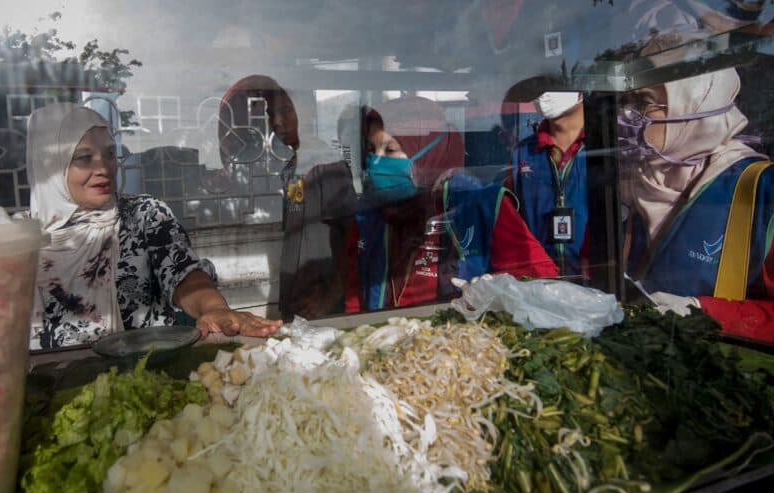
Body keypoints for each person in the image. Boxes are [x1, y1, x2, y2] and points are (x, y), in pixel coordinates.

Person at [27, 103, 281, 349]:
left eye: (110, 154)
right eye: (84, 158)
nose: (104, 168)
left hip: (146, 373)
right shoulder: (19, 239)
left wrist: (214, 308)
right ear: (50, 165)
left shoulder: (144, 215)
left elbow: (184, 274)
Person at [346, 96, 558, 312]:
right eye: (372, 150)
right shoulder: (368, 215)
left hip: (458, 340)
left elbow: (540, 278)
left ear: (429, 153)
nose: (376, 162)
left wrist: (493, 288)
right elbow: (354, 297)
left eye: (390, 150)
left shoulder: (481, 204)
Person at [618, 67, 774, 343]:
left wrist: (704, 312)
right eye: (626, 102)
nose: (626, 115)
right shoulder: (633, 180)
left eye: (643, 103)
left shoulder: (762, 190)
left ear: (696, 104)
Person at [219, 76, 356, 321]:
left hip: (321, 304)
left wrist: (329, 296)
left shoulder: (328, 167)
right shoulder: (295, 166)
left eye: (286, 111)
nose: (277, 122)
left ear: (309, 113)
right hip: (297, 295)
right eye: (272, 114)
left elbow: (350, 240)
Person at [510, 91, 589, 277]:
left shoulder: (604, 147)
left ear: (580, 92)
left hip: (595, 274)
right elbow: (512, 214)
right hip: (540, 277)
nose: (543, 94)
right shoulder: (524, 152)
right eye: (538, 87)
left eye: (554, 84)